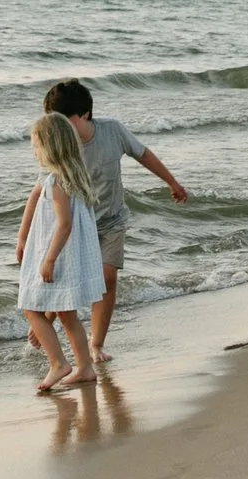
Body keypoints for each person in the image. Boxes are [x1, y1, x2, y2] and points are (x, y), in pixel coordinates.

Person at [41, 79, 189, 362]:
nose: (56, 128)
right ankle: (45, 319)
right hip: (74, 224)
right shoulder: (59, 143)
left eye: (63, 120)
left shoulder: (113, 131)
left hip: (111, 220)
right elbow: (43, 187)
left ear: (85, 114)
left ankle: (96, 345)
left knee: (107, 279)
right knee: (63, 281)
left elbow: (143, 154)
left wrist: (172, 182)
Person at [13, 112, 104, 393]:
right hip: (63, 252)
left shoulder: (57, 183)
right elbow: (31, 201)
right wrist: (21, 238)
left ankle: (58, 364)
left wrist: (48, 259)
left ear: (51, 147)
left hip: (57, 253)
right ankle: (84, 367)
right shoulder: (61, 177)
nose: (33, 150)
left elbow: (64, 225)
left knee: (31, 308)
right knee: (66, 313)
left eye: (36, 145)